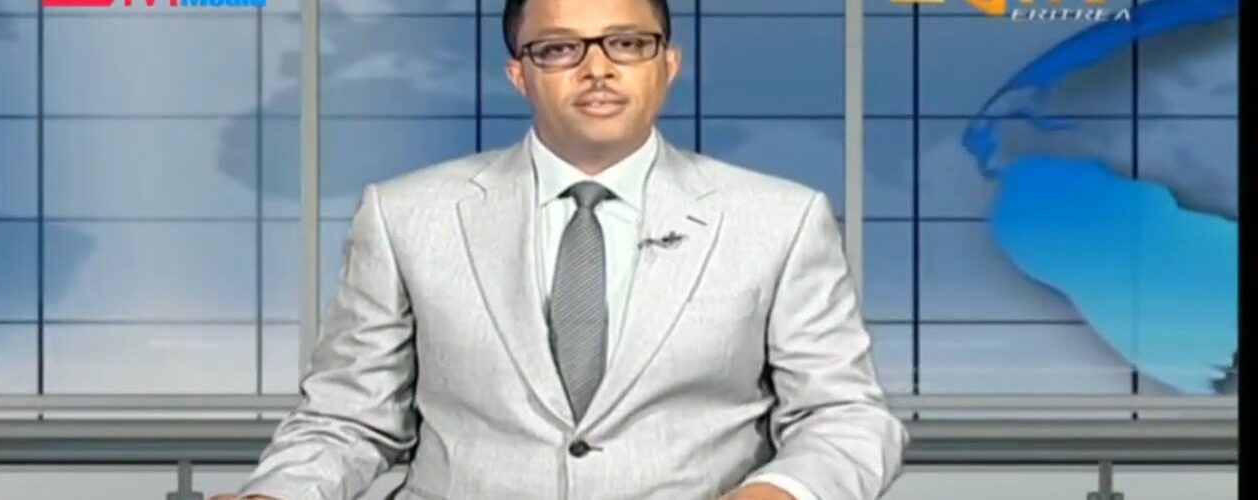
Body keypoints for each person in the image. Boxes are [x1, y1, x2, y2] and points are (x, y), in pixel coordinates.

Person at [213, 0, 907, 498]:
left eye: (627, 44)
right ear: (520, 74)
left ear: (668, 64)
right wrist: (276, 495)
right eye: (559, 49)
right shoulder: (405, 215)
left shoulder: (780, 219)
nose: (597, 69)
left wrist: (778, 494)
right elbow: (347, 418)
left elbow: (844, 415)